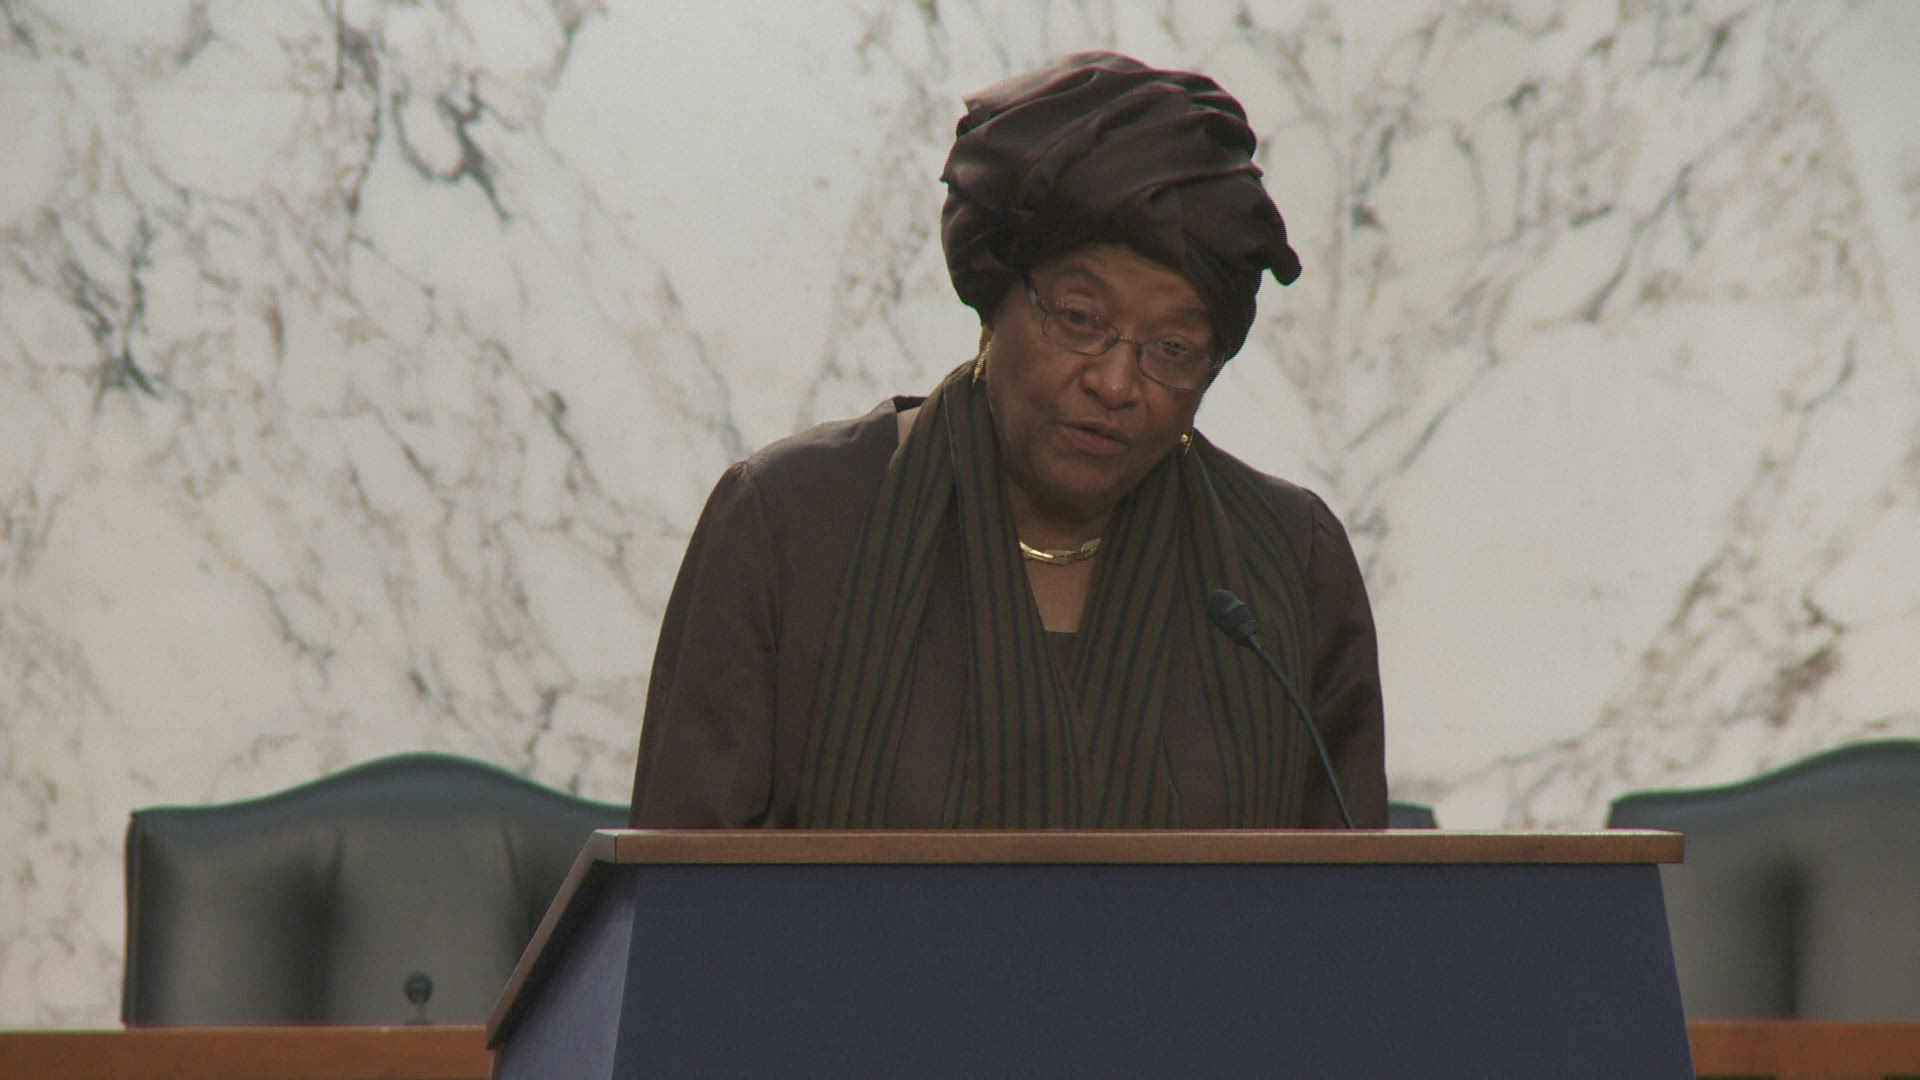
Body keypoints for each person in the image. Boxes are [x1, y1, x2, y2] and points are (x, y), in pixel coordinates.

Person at [629, 52, 1386, 829]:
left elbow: (1353, 893)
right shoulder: (791, 526)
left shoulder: (1287, 564)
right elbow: (686, 888)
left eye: (1173, 350)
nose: (1116, 383)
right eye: (1080, 319)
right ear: (994, 304)